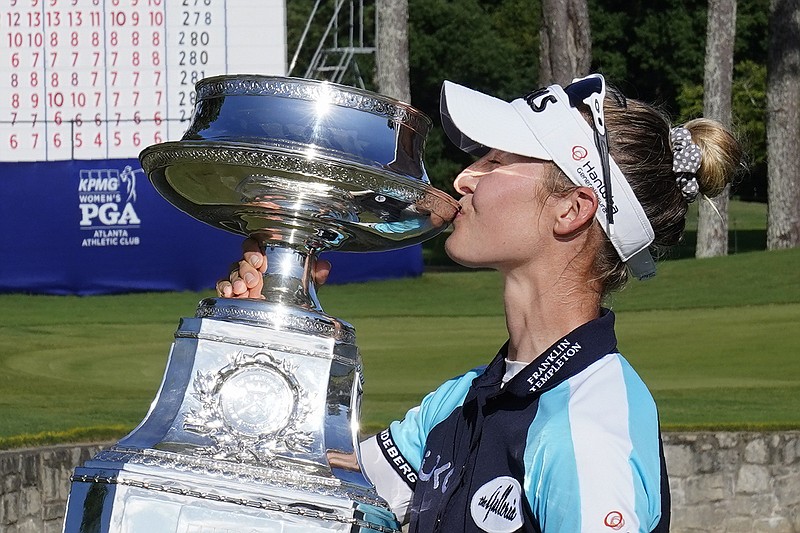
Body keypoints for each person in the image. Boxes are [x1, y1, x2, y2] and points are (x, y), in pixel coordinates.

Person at [218, 73, 742, 532]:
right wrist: (276, 326)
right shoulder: (466, 398)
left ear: (572, 210)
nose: (464, 179)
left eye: (495, 162)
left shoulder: (587, 430)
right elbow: (311, 497)